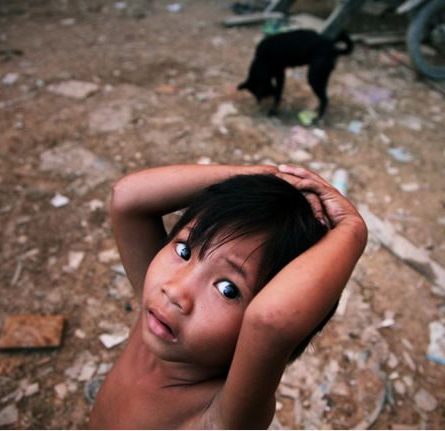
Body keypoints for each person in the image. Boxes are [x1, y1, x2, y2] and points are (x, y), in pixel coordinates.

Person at [88, 163, 367, 429]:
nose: (174, 290)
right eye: (184, 250)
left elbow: (272, 319)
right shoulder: (154, 315)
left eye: (228, 289)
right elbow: (127, 198)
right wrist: (262, 176)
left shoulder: (220, 416)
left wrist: (352, 228)